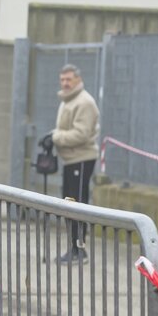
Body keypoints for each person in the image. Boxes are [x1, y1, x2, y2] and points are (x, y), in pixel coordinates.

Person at [50, 63, 100, 264]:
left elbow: (81, 134)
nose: (65, 83)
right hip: (71, 159)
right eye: (62, 79)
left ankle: (79, 250)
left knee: (77, 205)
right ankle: (73, 248)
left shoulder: (84, 102)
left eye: (69, 79)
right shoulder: (68, 100)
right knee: (69, 204)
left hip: (81, 159)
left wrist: (55, 137)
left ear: (78, 79)